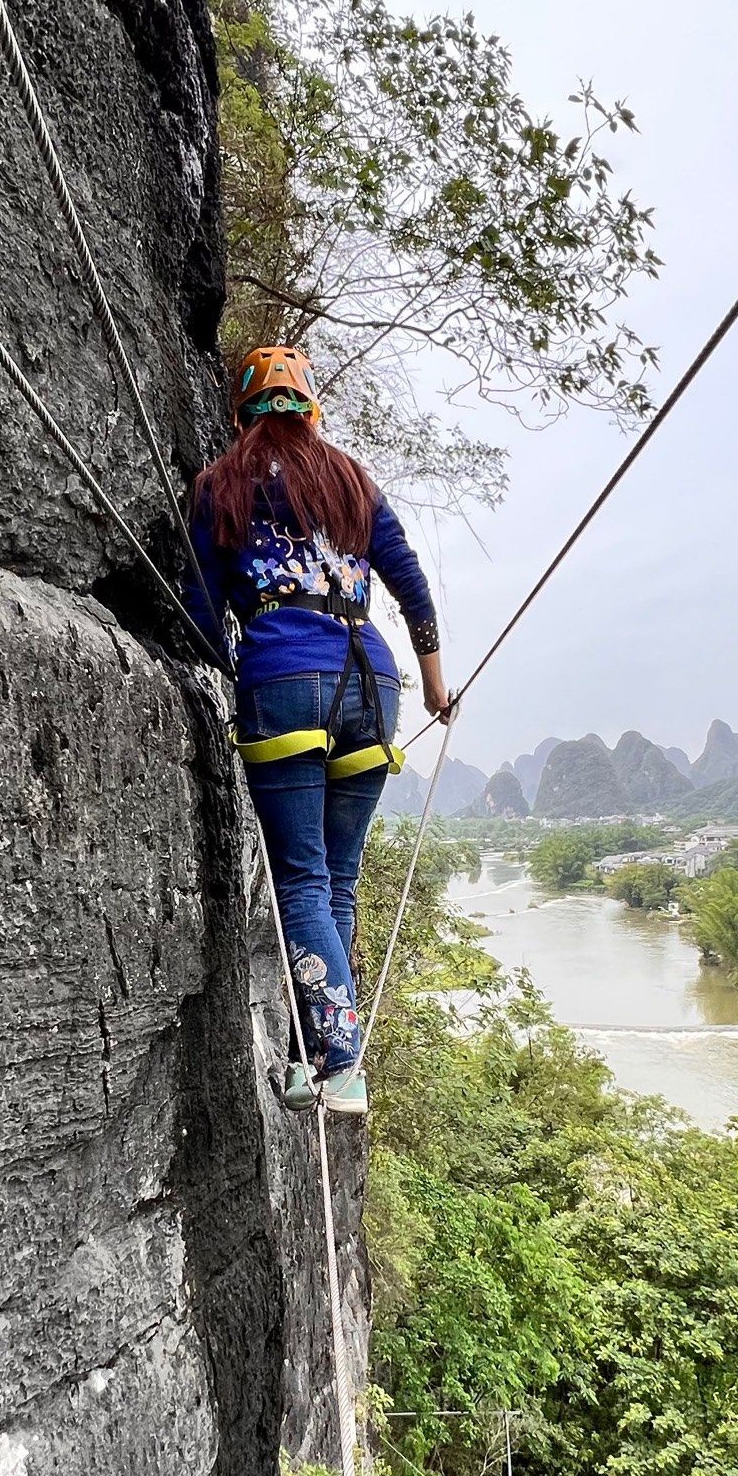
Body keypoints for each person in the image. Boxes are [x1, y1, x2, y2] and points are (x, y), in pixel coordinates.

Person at [184, 345, 448, 1117]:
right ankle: (316, 1059)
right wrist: (433, 683)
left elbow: (203, 608)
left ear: (243, 415)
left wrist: (229, 666)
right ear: (310, 411)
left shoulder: (220, 485)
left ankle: (341, 1061)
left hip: (285, 676)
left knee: (300, 878)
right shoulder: (352, 483)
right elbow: (409, 581)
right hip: (375, 679)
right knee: (335, 882)